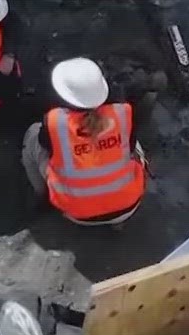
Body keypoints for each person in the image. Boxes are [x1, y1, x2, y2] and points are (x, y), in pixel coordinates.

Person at [24, 58, 147, 225]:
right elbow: (130, 147)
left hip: (78, 214)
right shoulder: (122, 112)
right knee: (131, 142)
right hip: (128, 206)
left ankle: (43, 196)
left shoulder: (55, 121)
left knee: (32, 134)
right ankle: (116, 218)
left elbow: (45, 145)